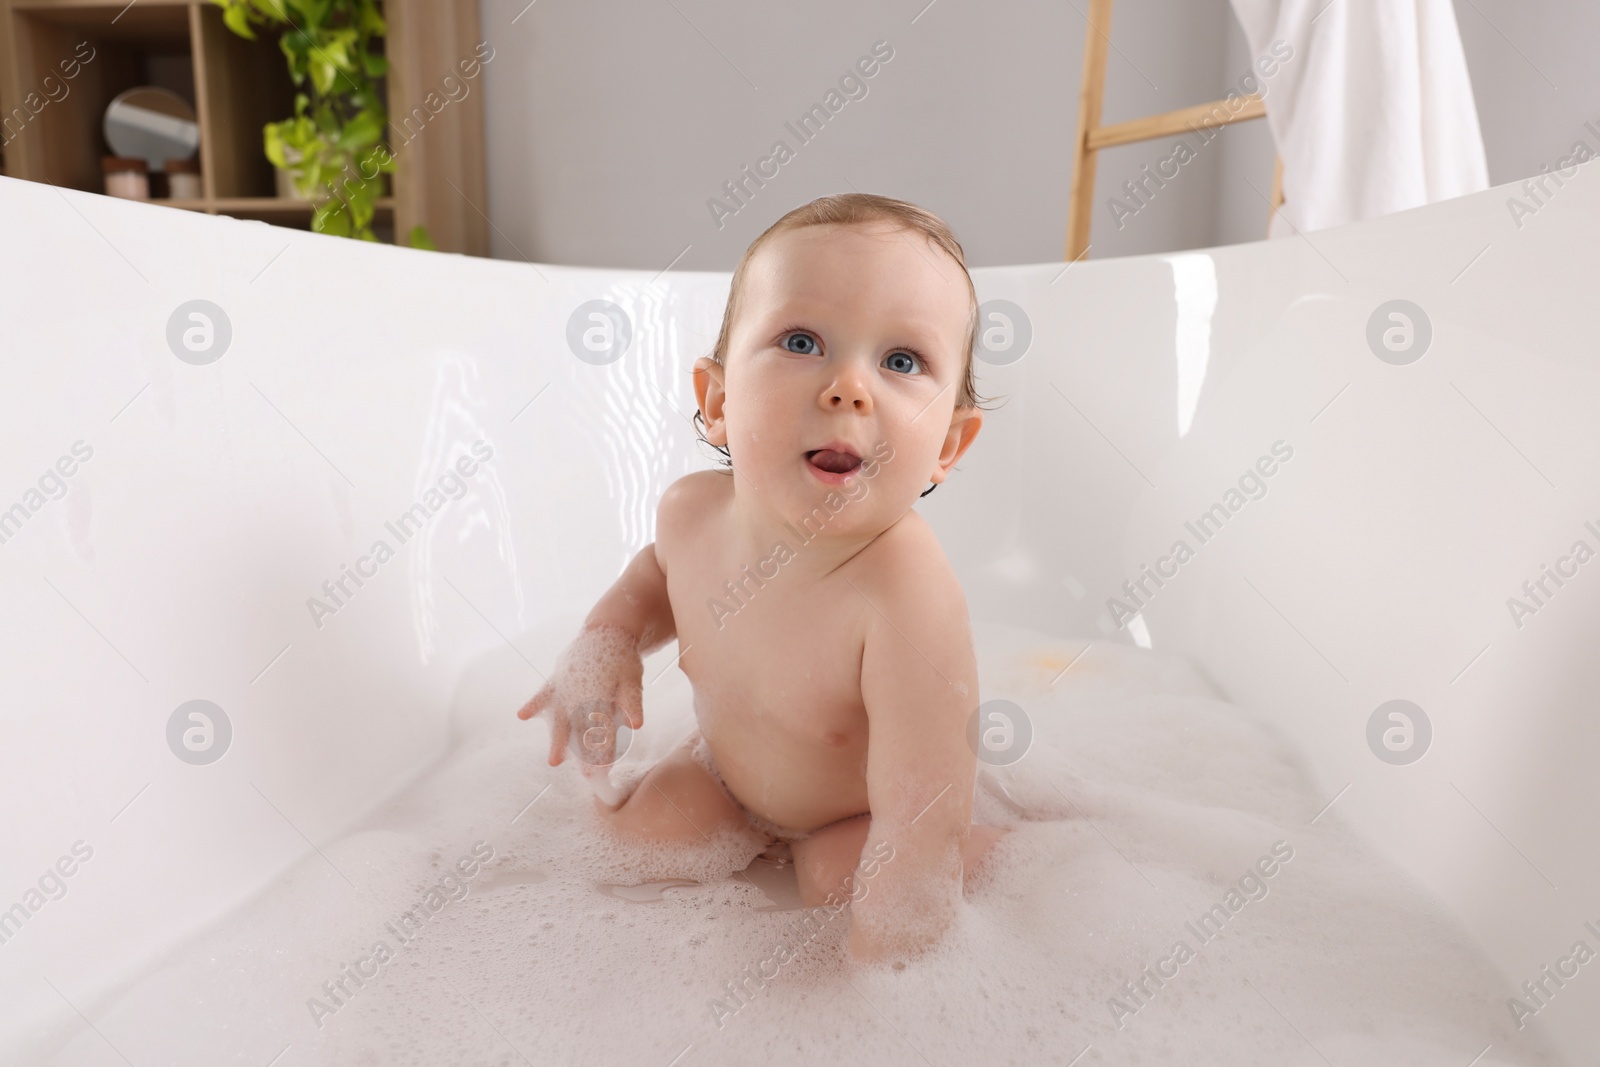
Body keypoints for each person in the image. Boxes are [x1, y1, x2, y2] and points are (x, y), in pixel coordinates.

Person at [518, 192, 1007, 963]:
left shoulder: (904, 591)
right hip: (732, 785)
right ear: (715, 401)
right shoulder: (692, 512)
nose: (850, 386)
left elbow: (924, 810)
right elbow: (655, 580)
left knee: (841, 879)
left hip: (862, 819)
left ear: (949, 442)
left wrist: (888, 976)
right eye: (803, 340)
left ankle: (1005, 854)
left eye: (901, 361)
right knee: (642, 833)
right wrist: (608, 640)